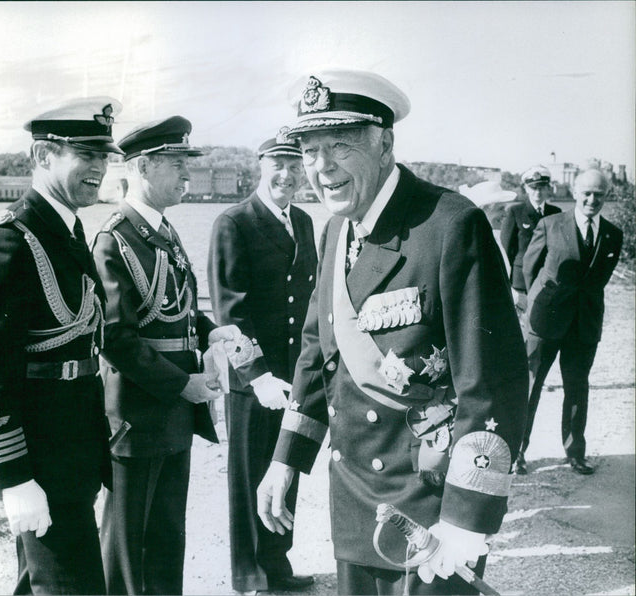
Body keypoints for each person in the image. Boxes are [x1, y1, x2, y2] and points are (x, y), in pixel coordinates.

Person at [256, 69, 529, 595]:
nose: (322, 168)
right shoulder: (336, 227)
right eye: (309, 150)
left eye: (339, 145)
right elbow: (319, 352)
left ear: (384, 145)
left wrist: (466, 519)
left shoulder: (449, 225)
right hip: (355, 499)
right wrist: (286, 459)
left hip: (428, 506)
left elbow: (491, 384)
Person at [0, 97, 123, 594]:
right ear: (43, 155)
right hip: (40, 459)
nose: (99, 168)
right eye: (85, 155)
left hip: (72, 449)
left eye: (104, 157)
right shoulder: (10, 241)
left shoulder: (64, 231)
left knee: (43, 584)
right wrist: (13, 478)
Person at [91, 115, 240, 595]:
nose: (186, 175)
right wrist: (183, 384)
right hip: (138, 416)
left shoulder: (164, 232)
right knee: (126, 548)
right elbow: (116, 338)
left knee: (166, 539)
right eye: (176, 164)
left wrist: (216, 332)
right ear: (142, 167)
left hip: (175, 413)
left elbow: (181, 314)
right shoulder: (115, 239)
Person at [207, 133, 317, 593]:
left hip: (296, 372)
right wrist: (257, 375)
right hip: (255, 378)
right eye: (278, 164)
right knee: (251, 472)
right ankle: (249, 573)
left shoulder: (305, 222)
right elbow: (230, 312)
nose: (287, 175)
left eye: (295, 165)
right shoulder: (234, 222)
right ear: (260, 166)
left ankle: (277, 565)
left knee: (286, 466)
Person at [516, 169, 623, 476]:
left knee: (577, 388)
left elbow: (598, 279)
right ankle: (516, 452)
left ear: (606, 196)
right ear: (575, 192)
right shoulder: (550, 225)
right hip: (545, 321)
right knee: (530, 386)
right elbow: (529, 269)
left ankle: (575, 452)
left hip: (584, 324)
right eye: (586, 193)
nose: (592, 200)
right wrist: (540, 304)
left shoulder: (613, 234)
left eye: (599, 194)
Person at [500, 165, 561, 322]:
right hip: (520, 282)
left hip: (548, 279)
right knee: (521, 325)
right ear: (526, 189)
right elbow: (506, 251)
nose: (538, 192)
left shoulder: (556, 213)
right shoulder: (515, 212)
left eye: (541, 187)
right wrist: (508, 284)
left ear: (548, 189)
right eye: (533, 187)